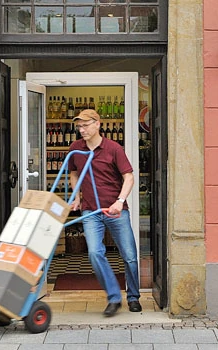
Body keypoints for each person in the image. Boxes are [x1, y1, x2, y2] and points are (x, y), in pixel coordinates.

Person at [67, 109, 141, 317]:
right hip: (91, 210)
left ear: (98, 124)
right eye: (79, 126)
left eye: (86, 125)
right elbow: (74, 173)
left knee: (129, 256)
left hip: (115, 210)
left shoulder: (113, 148)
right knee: (94, 253)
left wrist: (120, 201)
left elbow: (129, 177)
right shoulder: (76, 149)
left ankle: (133, 296)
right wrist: (77, 196)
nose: (82, 130)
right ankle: (114, 297)